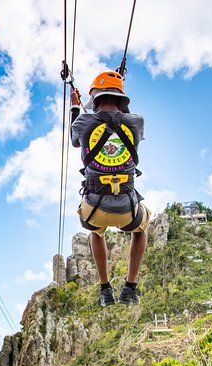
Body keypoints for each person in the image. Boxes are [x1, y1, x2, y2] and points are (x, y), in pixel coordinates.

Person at [70, 71, 150, 306]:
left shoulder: (83, 122)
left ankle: (105, 289)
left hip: (94, 208)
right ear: (122, 99)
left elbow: (75, 141)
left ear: (94, 100)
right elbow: (122, 119)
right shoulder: (137, 121)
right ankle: (130, 287)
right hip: (127, 207)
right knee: (141, 229)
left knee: (96, 232)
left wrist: (76, 107)